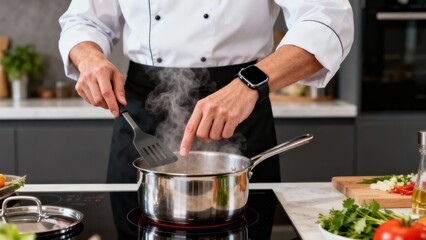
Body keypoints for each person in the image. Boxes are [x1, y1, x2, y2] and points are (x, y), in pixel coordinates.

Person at [58, 1, 354, 184]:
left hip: (240, 102)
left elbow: (328, 21)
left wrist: (250, 83)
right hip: (141, 113)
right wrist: (89, 58)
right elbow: (83, 21)